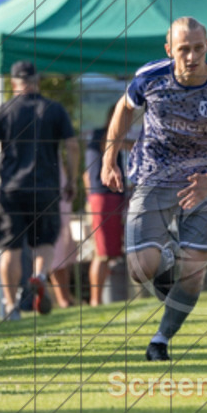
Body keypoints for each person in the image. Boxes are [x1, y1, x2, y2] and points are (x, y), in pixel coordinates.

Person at [101, 17, 207, 362]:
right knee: (142, 267)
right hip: (152, 175)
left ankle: (161, 340)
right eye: (184, 49)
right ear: (170, 50)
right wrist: (109, 159)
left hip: (200, 182)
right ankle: (167, 255)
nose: (192, 56)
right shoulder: (150, 77)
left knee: (195, 272)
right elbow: (124, 109)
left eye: (198, 48)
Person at [0, 61, 79, 321]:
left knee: (9, 249)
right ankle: (39, 276)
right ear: (37, 80)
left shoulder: (3, 111)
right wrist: (71, 179)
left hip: (10, 190)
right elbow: (72, 146)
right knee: (46, 241)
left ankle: (10, 306)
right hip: (46, 188)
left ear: (14, 82)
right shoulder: (55, 110)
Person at [84, 105, 127, 306]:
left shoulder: (105, 137)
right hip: (102, 199)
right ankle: (95, 300)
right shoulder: (102, 136)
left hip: (110, 198)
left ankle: (99, 299)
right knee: (101, 254)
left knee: (109, 253)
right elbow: (110, 144)